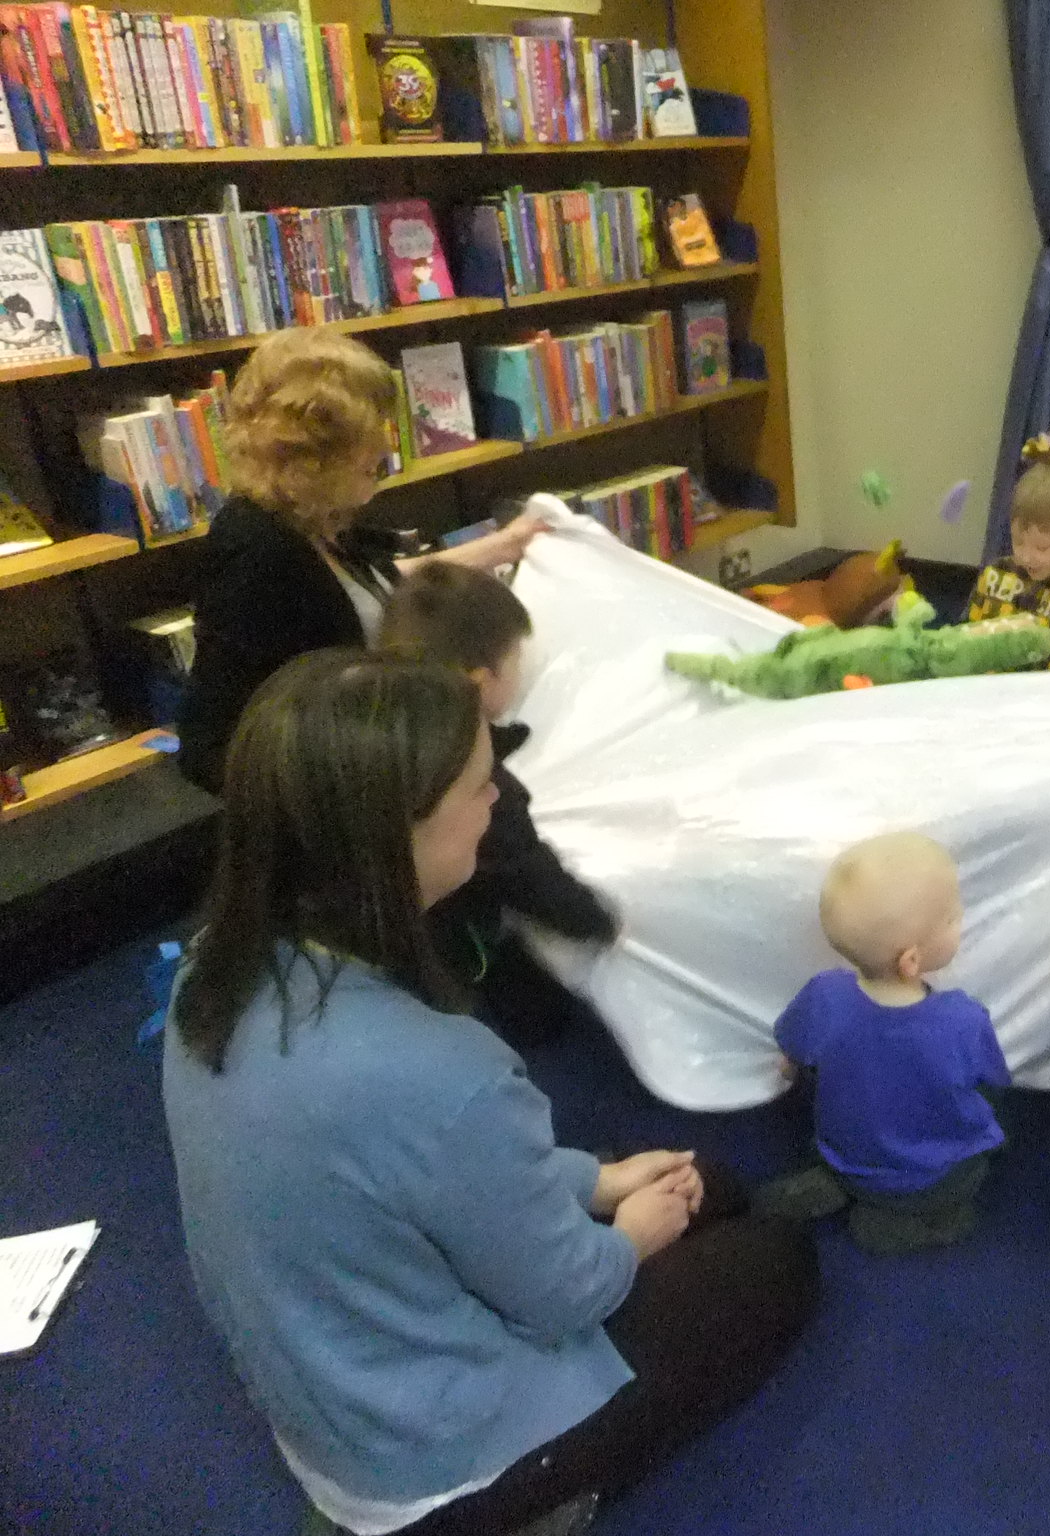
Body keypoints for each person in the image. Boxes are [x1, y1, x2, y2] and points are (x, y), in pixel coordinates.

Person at [161, 650, 818, 1536]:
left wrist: (596, 1182)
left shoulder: (211, 972)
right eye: (480, 785)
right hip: (431, 1463)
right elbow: (568, 1295)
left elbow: (411, 1168)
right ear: (397, 831)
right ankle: (531, 1502)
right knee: (775, 1261)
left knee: (709, 1186)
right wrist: (630, 1233)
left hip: (340, 1383)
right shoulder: (442, 1070)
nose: (498, 798)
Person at [178, 328, 545, 795]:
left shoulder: (315, 521)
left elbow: (375, 585)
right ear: (314, 453)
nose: (385, 450)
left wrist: (505, 545)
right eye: (368, 441)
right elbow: (222, 741)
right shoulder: (255, 553)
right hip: (340, 801)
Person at [379, 563, 618, 1050]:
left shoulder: (384, 730)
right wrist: (598, 919)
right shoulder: (484, 790)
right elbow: (528, 874)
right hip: (449, 956)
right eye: (515, 660)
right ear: (482, 681)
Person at [757, 832, 1011, 1254]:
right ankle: (918, 1220)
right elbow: (995, 1078)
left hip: (844, 1151)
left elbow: (791, 1055)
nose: (961, 920)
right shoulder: (962, 1019)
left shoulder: (824, 995)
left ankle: (835, 1183)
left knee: (820, 1095)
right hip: (931, 1177)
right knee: (997, 1123)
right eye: (953, 918)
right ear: (911, 960)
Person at [966, 429, 1050, 668]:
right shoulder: (995, 574)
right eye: (1018, 542)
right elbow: (969, 637)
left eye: (1042, 547)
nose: (1027, 557)